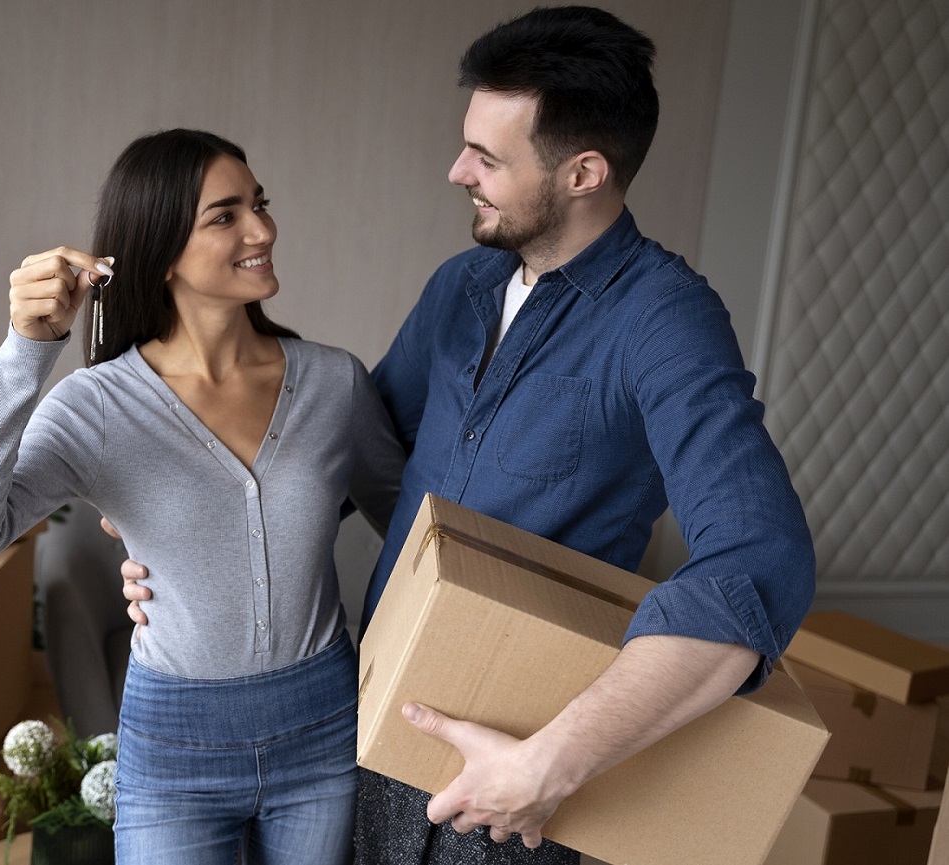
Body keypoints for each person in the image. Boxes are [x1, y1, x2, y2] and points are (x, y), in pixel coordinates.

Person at [117, 7, 815, 865]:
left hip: (519, 791)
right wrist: (180, 556)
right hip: (379, 741)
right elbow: (326, 461)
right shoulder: (463, 285)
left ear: (583, 172)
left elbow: (758, 557)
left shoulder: (666, 319)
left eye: (487, 157)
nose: (457, 171)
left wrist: (550, 763)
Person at [0, 128, 403, 865]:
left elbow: (412, 532)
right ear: (161, 249)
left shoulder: (335, 383)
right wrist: (26, 352)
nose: (263, 229)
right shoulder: (98, 407)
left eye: (260, 204)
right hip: (175, 746)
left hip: (326, 728)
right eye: (226, 215)